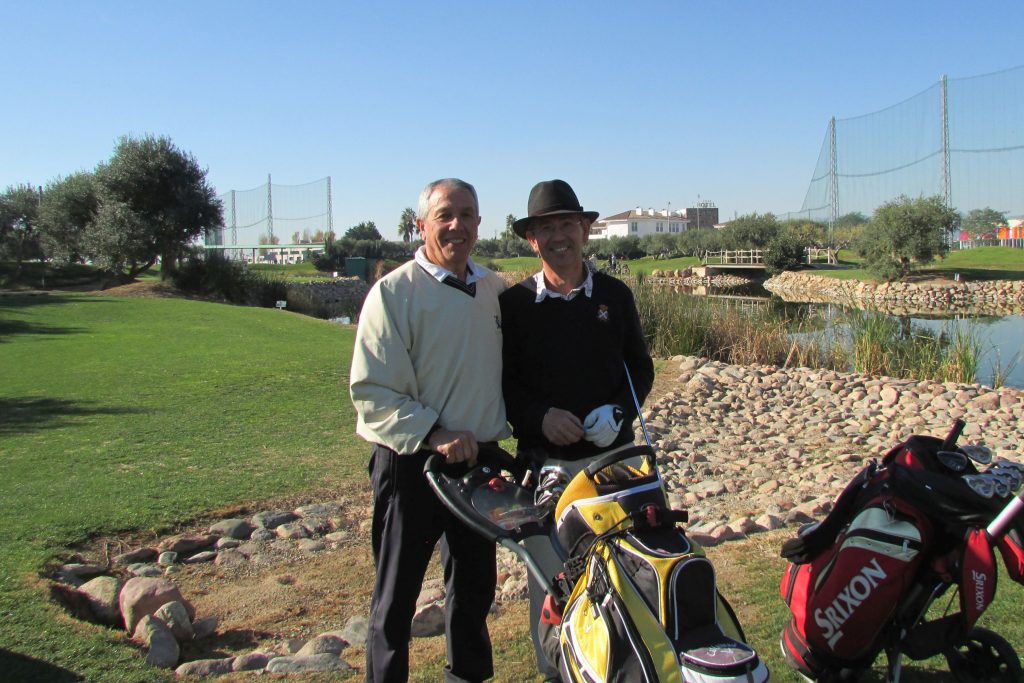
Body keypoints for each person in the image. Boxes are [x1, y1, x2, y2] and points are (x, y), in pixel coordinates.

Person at [350, 178, 510, 683]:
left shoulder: (494, 290)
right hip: (412, 465)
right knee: (395, 601)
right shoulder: (393, 294)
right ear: (421, 225)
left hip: (478, 465)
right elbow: (373, 391)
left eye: (467, 214)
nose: (457, 225)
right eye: (444, 215)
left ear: (479, 223)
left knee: (473, 593)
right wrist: (434, 433)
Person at [498, 179, 655, 681]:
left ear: (585, 231)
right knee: (553, 586)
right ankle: (556, 672)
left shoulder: (615, 296)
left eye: (567, 223)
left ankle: (620, 667)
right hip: (546, 469)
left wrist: (619, 412)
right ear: (532, 240)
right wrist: (540, 417)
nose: (559, 236)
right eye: (547, 228)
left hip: (613, 466)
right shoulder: (514, 306)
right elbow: (505, 386)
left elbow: (640, 369)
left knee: (621, 577)